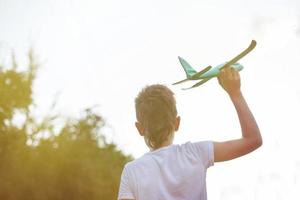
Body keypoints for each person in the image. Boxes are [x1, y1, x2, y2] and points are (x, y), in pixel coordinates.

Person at [118, 67, 262, 200]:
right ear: (177, 123)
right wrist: (235, 92)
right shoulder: (197, 153)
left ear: (139, 128)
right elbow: (253, 140)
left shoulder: (131, 171)